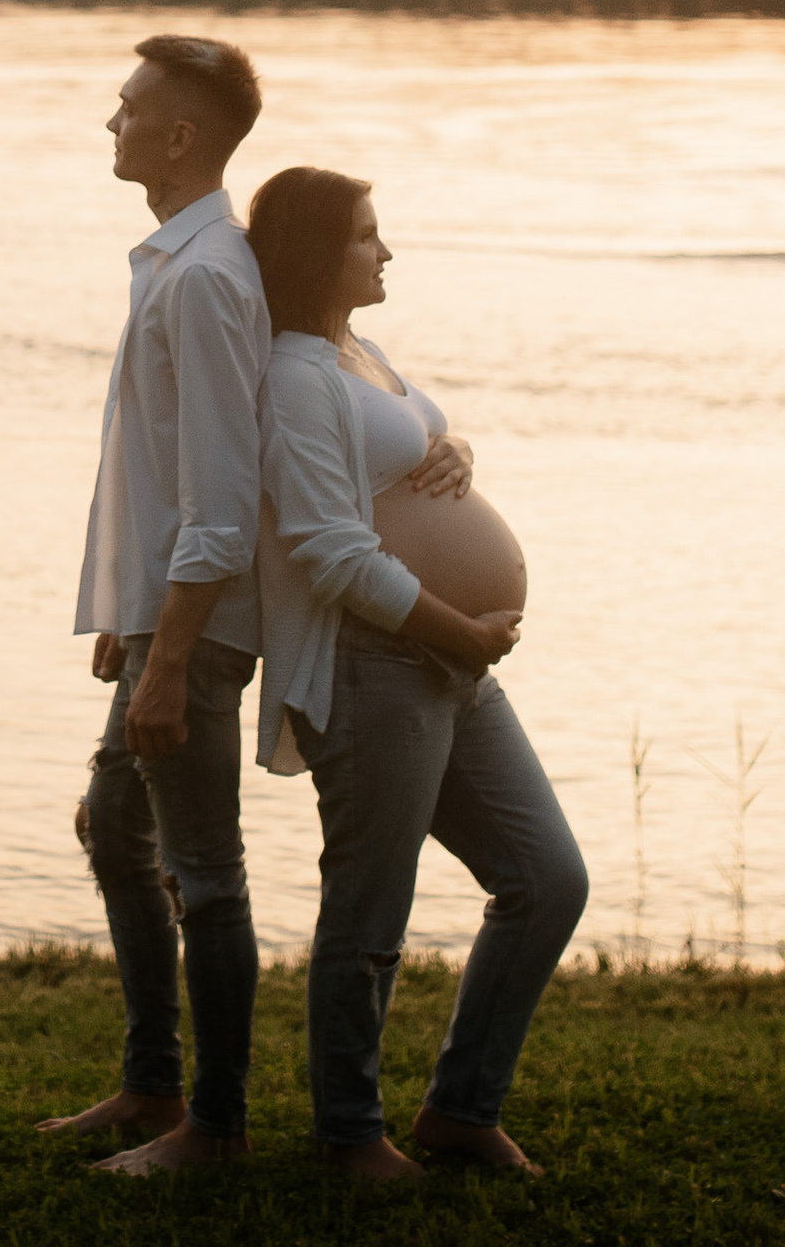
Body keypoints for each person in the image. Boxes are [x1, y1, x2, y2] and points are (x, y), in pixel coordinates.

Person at [246, 165, 586, 1182]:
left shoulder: (363, 353)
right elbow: (327, 547)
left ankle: (459, 1110)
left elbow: (412, 449)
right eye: (365, 235)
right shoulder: (295, 374)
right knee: (369, 913)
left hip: (447, 666)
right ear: (318, 254)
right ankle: (350, 1135)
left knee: (544, 879)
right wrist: (460, 632)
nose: (384, 251)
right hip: (380, 665)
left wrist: (459, 452)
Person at [38, 34, 272, 1175]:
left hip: (200, 630)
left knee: (205, 869)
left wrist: (172, 659)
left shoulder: (208, 277)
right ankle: (149, 1083)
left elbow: (222, 499)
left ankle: (211, 1128)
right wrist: (128, 613)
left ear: (181, 135)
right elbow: (165, 469)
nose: (109, 121)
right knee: (114, 830)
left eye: (126, 106)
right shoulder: (176, 265)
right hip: (163, 617)